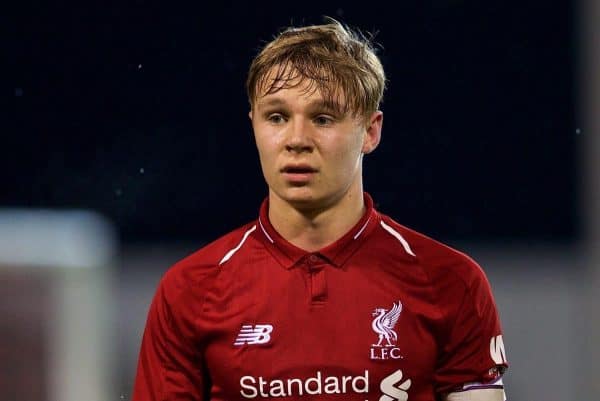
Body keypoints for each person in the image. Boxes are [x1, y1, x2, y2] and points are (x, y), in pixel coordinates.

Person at [132, 17, 508, 401]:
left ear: (371, 131)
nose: (297, 140)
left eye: (323, 118)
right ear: (254, 126)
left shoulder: (451, 283)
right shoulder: (190, 291)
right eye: (277, 117)